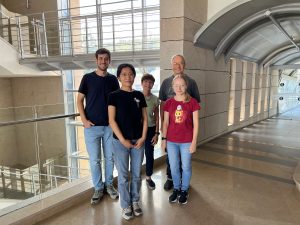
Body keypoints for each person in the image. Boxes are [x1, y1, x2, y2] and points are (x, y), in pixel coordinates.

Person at [77, 48, 119, 205]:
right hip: (91, 128)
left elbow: (116, 102)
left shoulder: (113, 80)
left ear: (109, 61)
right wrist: (84, 120)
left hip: (109, 126)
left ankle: (109, 185)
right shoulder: (87, 78)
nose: (103, 61)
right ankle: (98, 188)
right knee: (95, 160)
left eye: (106, 59)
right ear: (96, 60)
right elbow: (79, 100)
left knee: (110, 158)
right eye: (100, 58)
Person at [108, 63, 148, 220]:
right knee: (123, 176)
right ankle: (125, 205)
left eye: (130, 74)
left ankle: (135, 201)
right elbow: (112, 120)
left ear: (134, 76)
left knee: (137, 174)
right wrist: (123, 140)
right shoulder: (113, 95)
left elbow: (145, 118)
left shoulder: (139, 95)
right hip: (120, 142)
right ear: (118, 77)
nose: (128, 77)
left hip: (138, 140)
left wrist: (143, 137)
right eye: (124, 74)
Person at [159, 54, 200, 191]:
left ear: (185, 65)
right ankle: (171, 180)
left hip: (186, 132)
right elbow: (162, 105)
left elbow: (195, 107)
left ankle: (184, 186)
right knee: (172, 161)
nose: (178, 66)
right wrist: (162, 127)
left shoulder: (192, 82)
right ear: (171, 65)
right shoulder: (165, 83)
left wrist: (193, 136)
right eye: (175, 63)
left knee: (185, 162)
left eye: (181, 63)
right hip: (171, 131)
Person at [141, 74, 159, 190]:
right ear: (142, 83)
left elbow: (157, 117)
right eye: (146, 82)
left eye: (150, 82)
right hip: (138, 130)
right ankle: (136, 177)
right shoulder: (136, 96)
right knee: (136, 155)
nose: (148, 84)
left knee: (149, 155)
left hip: (151, 129)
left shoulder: (155, 99)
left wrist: (157, 133)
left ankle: (148, 177)